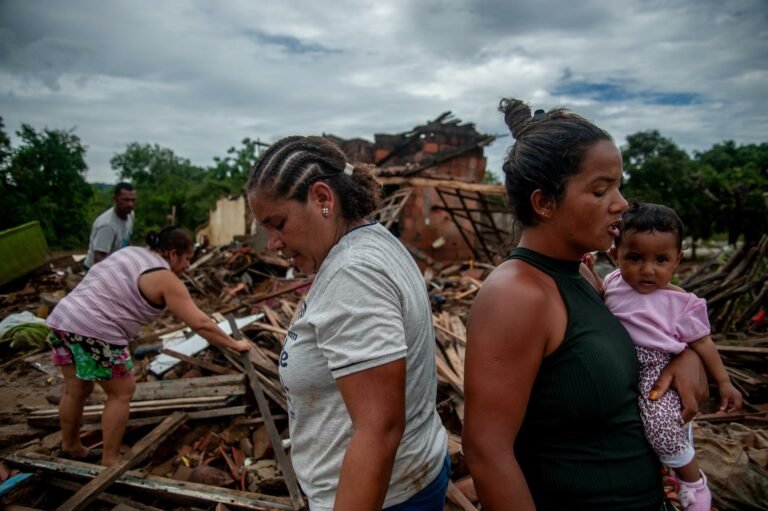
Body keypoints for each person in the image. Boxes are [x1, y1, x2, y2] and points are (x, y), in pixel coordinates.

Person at [462, 98, 709, 510]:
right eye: (600, 190)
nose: (622, 203)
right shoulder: (517, 295)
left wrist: (686, 357)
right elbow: (488, 452)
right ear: (544, 203)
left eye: (617, 185)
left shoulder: (583, 274)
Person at [246, 136, 449, 510]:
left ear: (323, 198)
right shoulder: (371, 241)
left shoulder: (353, 275)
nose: (273, 244)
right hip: (407, 479)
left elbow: (380, 430)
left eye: (278, 224)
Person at [46, 227, 251, 466]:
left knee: (76, 390)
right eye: (186, 259)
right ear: (173, 254)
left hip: (63, 319)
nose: (187, 266)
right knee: (121, 392)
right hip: (95, 329)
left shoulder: (131, 253)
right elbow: (201, 323)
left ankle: (71, 446)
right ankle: (110, 459)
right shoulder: (165, 278)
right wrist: (235, 344)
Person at [604, 201, 742, 511]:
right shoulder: (613, 283)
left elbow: (704, 344)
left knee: (660, 427)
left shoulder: (682, 303)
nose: (648, 269)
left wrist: (725, 383)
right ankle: (673, 475)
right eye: (635, 258)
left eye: (661, 259)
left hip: (657, 367)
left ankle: (695, 485)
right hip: (621, 363)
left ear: (677, 260)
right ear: (616, 256)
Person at [85, 182, 136, 268]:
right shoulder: (107, 225)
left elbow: (126, 240)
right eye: (126, 200)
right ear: (115, 199)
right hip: (97, 270)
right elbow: (98, 259)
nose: (130, 204)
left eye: (133, 200)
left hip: (115, 264)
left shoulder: (130, 214)